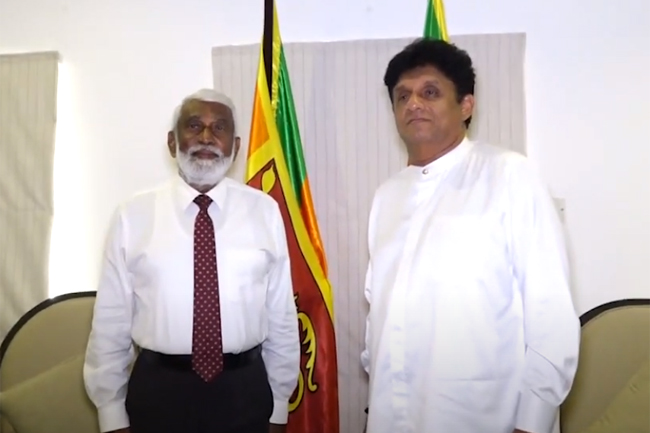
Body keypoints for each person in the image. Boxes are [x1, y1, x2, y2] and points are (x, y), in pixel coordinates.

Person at [361, 38, 581, 433]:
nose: (413, 104)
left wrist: (532, 422)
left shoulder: (510, 175)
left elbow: (552, 317)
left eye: (430, 92)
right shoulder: (386, 196)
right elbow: (379, 313)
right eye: (402, 96)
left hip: (484, 418)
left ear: (466, 105)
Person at [83, 89, 300, 433]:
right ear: (172, 142)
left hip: (245, 391)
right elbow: (111, 321)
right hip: (159, 393)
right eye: (194, 125)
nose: (206, 137)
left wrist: (279, 407)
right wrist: (110, 412)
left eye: (219, 128)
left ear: (236, 147)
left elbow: (281, 316)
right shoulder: (132, 216)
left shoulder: (264, 212)